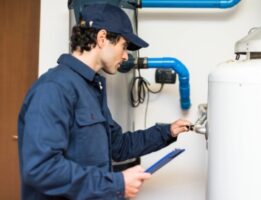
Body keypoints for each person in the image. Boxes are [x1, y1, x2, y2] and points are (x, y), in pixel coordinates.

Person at [18, 3, 191, 200]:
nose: (126, 56)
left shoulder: (91, 89)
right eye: (124, 46)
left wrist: (167, 132)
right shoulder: (53, 89)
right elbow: (41, 169)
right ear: (102, 38)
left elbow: (118, 146)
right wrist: (117, 184)